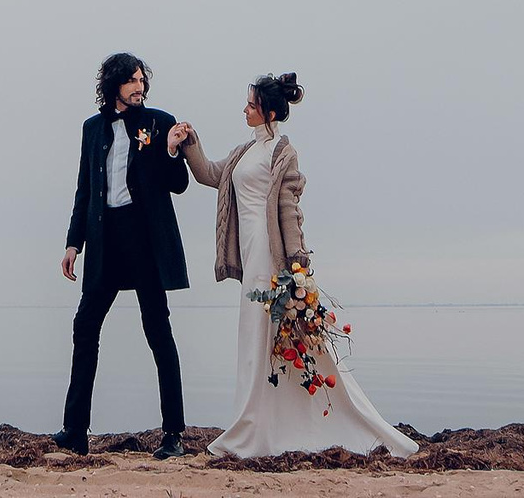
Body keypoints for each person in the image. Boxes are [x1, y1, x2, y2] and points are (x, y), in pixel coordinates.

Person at [176, 73, 419, 460]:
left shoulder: (282, 153)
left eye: (251, 105)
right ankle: (254, 422)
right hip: (248, 252)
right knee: (255, 338)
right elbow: (209, 174)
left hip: (270, 258)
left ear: (269, 112)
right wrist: (190, 143)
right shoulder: (242, 153)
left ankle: (281, 423)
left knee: (282, 337)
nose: (244, 109)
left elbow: (289, 209)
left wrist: (296, 264)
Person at [56, 52, 194, 458]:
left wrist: (169, 150)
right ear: (113, 85)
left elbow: (179, 184)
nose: (139, 87)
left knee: (157, 331)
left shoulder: (160, 122)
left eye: (142, 81)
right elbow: (84, 189)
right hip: (105, 241)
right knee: (85, 327)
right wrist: (73, 243)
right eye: (132, 81)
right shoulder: (92, 129)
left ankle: (174, 435)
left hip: (145, 239)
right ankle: (75, 431)